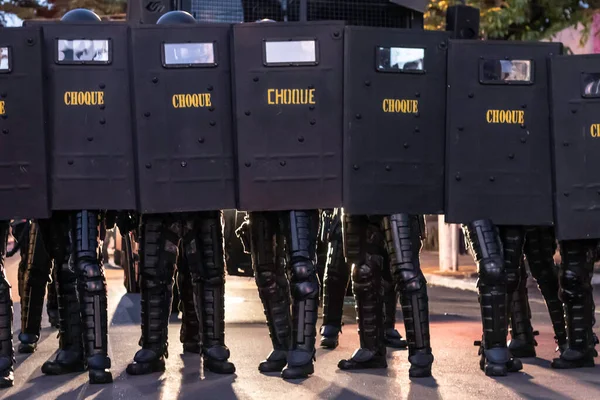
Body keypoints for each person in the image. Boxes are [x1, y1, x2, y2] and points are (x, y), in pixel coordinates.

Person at [126, 10, 235, 377]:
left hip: (198, 189)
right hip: (161, 192)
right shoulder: (142, 77)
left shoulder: (215, 76)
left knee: (207, 271)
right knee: (157, 273)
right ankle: (156, 348)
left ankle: (210, 345)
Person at [338, 213, 433, 377]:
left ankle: (420, 354)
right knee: (362, 271)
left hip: (397, 195)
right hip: (359, 196)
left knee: (407, 275)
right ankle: (371, 350)